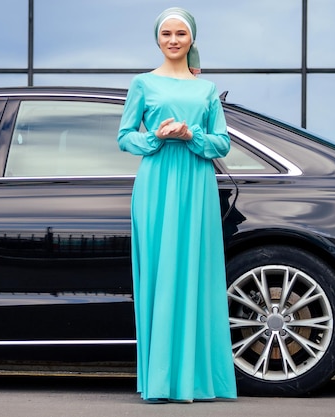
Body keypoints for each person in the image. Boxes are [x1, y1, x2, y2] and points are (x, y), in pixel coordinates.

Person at [117, 7, 237, 403]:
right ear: (157, 38)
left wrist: (191, 134)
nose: (173, 40)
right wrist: (155, 136)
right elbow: (124, 137)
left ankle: (197, 380)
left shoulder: (206, 90)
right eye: (166, 33)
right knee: (159, 272)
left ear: (191, 40)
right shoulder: (142, 83)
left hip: (196, 184)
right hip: (155, 185)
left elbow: (222, 143)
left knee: (195, 272)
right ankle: (162, 379)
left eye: (180, 34)